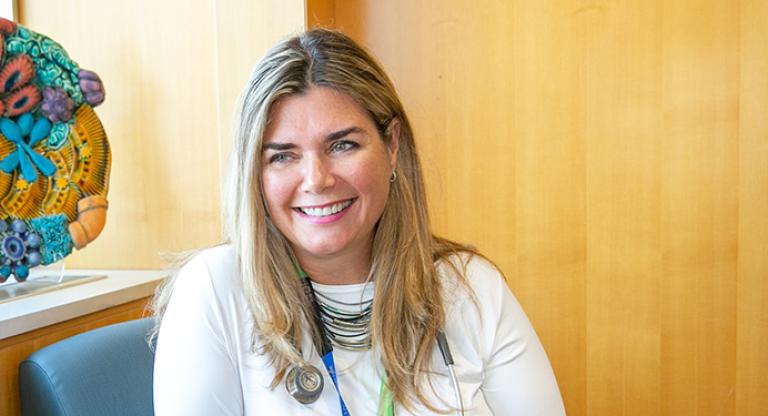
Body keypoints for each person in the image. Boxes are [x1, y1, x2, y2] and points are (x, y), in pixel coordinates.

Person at [152, 29, 566, 415]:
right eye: (282, 155)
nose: (317, 179)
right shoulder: (214, 290)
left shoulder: (468, 286)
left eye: (343, 145)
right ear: (254, 175)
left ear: (392, 144)